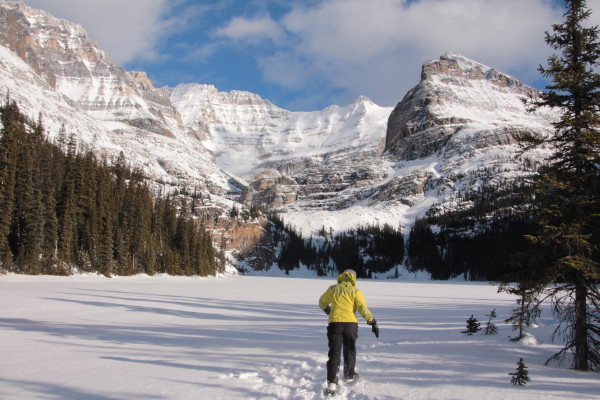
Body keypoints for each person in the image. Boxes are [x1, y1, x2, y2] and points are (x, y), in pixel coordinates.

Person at [319, 269, 379, 394]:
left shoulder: (333, 288)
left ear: (341, 276)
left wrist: (328, 310)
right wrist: (372, 321)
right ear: (353, 278)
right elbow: (362, 308)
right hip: (350, 324)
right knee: (350, 349)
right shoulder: (356, 291)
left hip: (335, 323)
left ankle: (331, 383)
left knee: (334, 352)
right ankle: (349, 374)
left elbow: (322, 302)